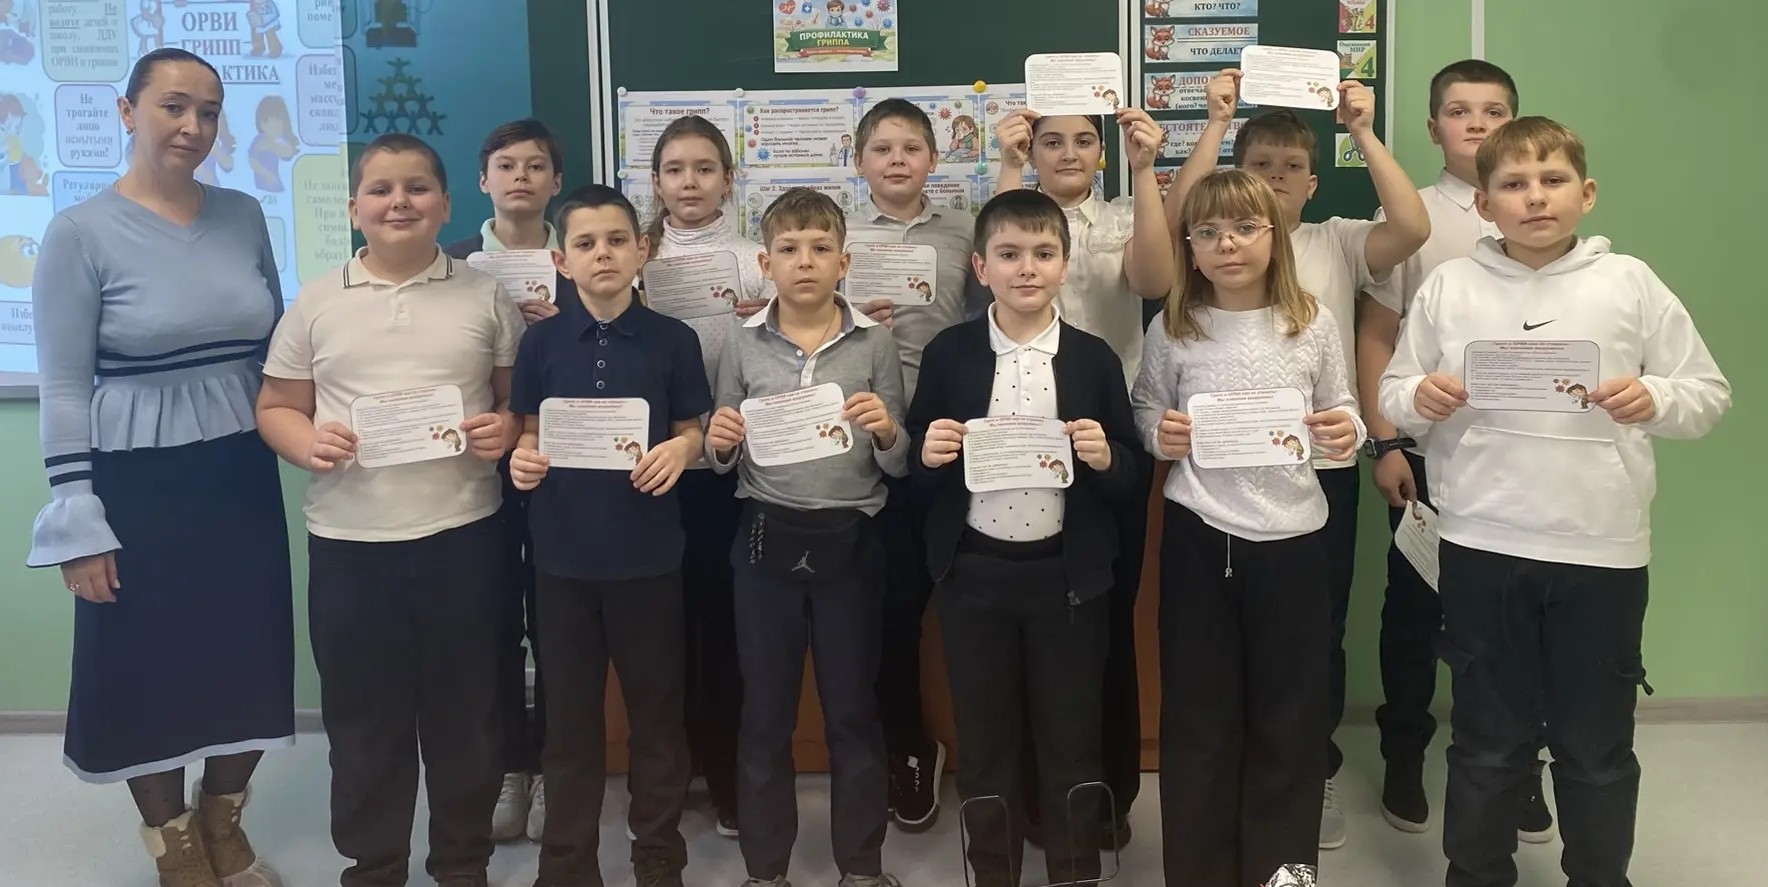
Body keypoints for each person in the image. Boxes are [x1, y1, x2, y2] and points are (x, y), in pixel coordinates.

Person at [1380, 117, 1731, 887]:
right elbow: (1395, 391)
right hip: (1481, 544)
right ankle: (1476, 875)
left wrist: (1655, 397)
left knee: (1596, 746)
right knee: (1485, 741)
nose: (1535, 197)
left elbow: (1707, 393)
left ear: (1587, 192)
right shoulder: (1450, 286)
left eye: (1553, 180)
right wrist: (1419, 398)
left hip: (1600, 549)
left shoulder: (1629, 283)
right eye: (1513, 184)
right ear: (1483, 203)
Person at [26, 47, 292, 887]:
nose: (193, 126)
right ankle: (174, 844)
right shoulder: (78, 232)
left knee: (250, 651)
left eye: (209, 111)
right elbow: (64, 384)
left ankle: (224, 821)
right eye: (174, 106)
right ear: (126, 111)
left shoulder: (244, 213)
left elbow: (279, 346)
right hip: (135, 485)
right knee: (147, 667)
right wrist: (77, 515)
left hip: (240, 472)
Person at [1164, 69, 1431, 849]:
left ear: (1313, 184)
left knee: (1315, 634)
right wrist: (1217, 122)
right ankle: (1236, 786)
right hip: (1217, 486)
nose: (1276, 177)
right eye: (1260, 164)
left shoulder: (1336, 240)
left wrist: (1361, 130)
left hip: (1317, 475)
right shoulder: (1205, 261)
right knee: (1216, 657)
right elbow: (1176, 218)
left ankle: (1310, 771)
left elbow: (1411, 226)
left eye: (1291, 167)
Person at [256, 132, 525, 887]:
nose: (399, 202)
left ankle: (462, 864)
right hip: (351, 542)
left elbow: (514, 402)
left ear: (446, 204)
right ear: (354, 209)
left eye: (416, 188)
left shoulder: (485, 294)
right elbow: (275, 406)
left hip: (464, 536)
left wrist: (505, 429)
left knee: (468, 715)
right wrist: (307, 442)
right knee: (364, 723)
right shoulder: (318, 302)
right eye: (380, 189)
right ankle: (374, 866)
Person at [1134, 168, 1364, 887]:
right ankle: (1198, 872)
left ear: (1274, 236)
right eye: (1207, 232)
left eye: (1243, 228)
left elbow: (1344, 408)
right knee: (1199, 720)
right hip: (1201, 539)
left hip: (1295, 541)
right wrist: (1160, 433)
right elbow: (1145, 410)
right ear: (1190, 247)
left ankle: (1283, 876)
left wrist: (1346, 430)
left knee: (1290, 721)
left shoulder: (1312, 321)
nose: (1226, 244)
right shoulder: (1173, 326)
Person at [908, 188, 1139, 887]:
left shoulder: (1093, 359)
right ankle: (993, 873)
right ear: (981, 267)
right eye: (1009, 254)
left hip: (1067, 580)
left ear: (1065, 264)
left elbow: (1131, 473)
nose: (1027, 268)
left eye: (1043, 253)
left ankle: (1074, 871)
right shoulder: (949, 353)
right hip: (973, 575)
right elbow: (916, 463)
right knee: (985, 746)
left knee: (1071, 739)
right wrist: (928, 452)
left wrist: (1107, 456)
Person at [1355, 59, 1558, 841]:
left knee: (1521, 617)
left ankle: (1522, 765)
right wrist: (1384, 439)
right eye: (1460, 110)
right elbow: (1377, 336)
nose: (1476, 123)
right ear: (1434, 125)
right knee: (1415, 610)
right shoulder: (1411, 216)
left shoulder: (1545, 218)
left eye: (1493, 110)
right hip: (1427, 456)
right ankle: (1405, 754)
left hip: (1528, 461)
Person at [506, 184, 710, 887]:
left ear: (642, 250)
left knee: (656, 719)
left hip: (648, 559)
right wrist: (523, 460)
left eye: (618, 240)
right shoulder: (539, 342)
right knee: (568, 724)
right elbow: (530, 434)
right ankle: (567, 864)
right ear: (561, 260)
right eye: (586, 243)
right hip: (561, 563)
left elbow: (692, 430)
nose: (603, 254)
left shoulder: (674, 339)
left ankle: (657, 856)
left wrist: (682, 450)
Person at [706, 187, 907, 887]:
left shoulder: (875, 342)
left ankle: (862, 867)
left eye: (821, 248)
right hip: (766, 537)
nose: (805, 261)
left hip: (853, 540)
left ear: (843, 262)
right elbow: (721, 455)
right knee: (765, 715)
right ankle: (766, 871)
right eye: (789, 249)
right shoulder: (741, 341)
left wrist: (888, 430)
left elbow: (900, 460)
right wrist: (720, 438)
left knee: (853, 711)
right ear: (765, 263)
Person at [846, 97, 989, 831]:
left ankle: (990, 755)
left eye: (911, 148)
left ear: (934, 159)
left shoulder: (966, 231)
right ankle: (907, 746)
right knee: (887, 612)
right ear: (859, 161)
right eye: (882, 148)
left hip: (948, 436)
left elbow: (994, 320)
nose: (897, 160)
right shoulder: (836, 237)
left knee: (963, 603)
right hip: (864, 440)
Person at [642, 112, 776, 839]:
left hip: (730, 469)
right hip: (651, 467)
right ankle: (670, 773)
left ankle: (726, 775)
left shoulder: (759, 260)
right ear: (656, 182)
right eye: (674, 170)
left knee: (725, 628)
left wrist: (770, 317)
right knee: (662, 632)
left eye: (703, 169)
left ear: (729, 178)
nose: (689, 182)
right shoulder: (634, 257)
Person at [443, 116, 566, 844]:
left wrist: (563, 322)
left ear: (555, 180)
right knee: (491, 623)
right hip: (477, 466)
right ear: (483, 180)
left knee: (555, 625)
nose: (521, 176)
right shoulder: (453, 263)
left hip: (562, 466)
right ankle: (506, 767)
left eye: (536, 165)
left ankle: (550, 766)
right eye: (507, 165)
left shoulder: (583, 256)